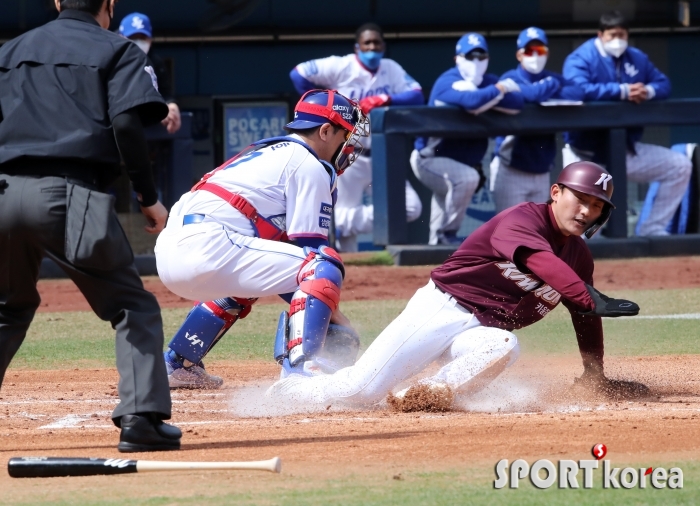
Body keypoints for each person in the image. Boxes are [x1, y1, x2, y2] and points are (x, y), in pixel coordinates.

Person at [266, 162, 645, 410]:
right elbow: (538, 261)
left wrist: (594, 373)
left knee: (503, 345)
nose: (586, 212)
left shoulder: (579, 257)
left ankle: (421, 395)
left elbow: (585, 315)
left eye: (597, 207)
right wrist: (587, 295)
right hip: (442, 310)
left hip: (480, 330)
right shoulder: (521, 221)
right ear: (557, 192)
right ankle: (293, 385)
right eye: (581, 199)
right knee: (358, 393)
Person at [0, 0, 181, 452]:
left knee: (6, 307)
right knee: (130, 306)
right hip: (69, 193)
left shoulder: (10, 50)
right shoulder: (117, 49)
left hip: (4, 194)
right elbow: (126, 124)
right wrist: (148, 197)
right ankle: (141, 419)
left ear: (57, 2)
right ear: (110, 5)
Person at [155, 90, 370, 388]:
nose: (347, 146)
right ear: (324, 130)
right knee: (322, 265)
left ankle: (179, 363)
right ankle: (303, 368)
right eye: (344, 135)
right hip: (209, 245)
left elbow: (286, 267)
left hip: (172, 253)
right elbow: (309, 258)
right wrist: (336, 318)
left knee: (244, 283)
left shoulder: (267, 152)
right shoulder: (307, 162)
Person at [290, 23, 424, 252]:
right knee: (345, 246)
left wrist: (384, 98)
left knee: (411, 208)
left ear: (383, 46)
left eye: (376, 43)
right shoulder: (341, 65)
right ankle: (348, 275)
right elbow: (298, 73)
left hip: (381, 155)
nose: (372, 47)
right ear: (357, 47)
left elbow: (417, 95)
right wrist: (325, 104)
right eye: (367, 43)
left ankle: (343, 222)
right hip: (348, 153)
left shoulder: (390, 68)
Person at [562, 10, 692, 237]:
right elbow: (577, 89)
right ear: (600, 34)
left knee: (679, 166)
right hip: (585, 155)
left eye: (622, 35)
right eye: (612, 35)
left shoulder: (636, 57)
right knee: (579, 236)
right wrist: (622, 91)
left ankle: (651, 229)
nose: (617, 40)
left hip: (624, 151)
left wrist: (648, 91)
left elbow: (663, 84)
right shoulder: (581, 58)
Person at [409, 33, 524, 245]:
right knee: (467, 178)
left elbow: (516, 103)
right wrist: (498, 90)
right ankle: (449, 234)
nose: (476, 62)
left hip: (457, 163)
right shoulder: (447, 81)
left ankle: (434, 254)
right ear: (457, 58)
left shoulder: (486, 82)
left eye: (481, 56)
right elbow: (472, 102)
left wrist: (488, 96)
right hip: (428, 159)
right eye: (470, 56)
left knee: (444, 204)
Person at [491, 27, 585, 213]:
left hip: (542, 171)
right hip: (511, 168)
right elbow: (531, 94)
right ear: (519, 55)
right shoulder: (509, 78)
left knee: (538, 234)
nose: (535, 55)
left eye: (540, 50)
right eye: (529, 51)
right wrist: (550, 85)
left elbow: (578, 92)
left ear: (547, 53)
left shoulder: (551, 76)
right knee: (508, 231)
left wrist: (544, 88)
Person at [119, 12, 181, 134]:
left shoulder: (155, 62)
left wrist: (171, 105)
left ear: (150, 39)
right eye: (133, 37)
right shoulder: (110, 58)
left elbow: (165, 93)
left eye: (142, 38)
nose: (138, 42)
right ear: (121, 37)